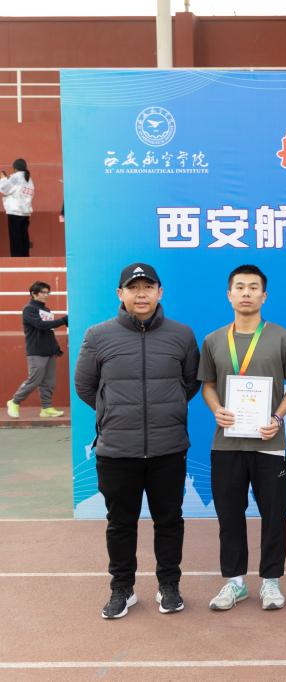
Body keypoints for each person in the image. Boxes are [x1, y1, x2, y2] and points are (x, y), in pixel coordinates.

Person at [74, 263, 200, 619]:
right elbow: (85, 386)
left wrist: (165, 410)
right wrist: (114, 412)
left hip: (168, 448)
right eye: (133, 287)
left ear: (160, 292)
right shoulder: (98, 335)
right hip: (117, 450)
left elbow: (190, 383)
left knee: (169, 521)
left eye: (148, 287)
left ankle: (169, 586)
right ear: (121, 294)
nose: (141, 294)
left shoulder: (182, 335)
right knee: (120, 523)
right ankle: (122, 589)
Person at [198, 265, 286, 612]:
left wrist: (278, 417)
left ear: (264, 295)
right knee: (230, 515)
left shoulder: (283, 337)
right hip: (226, 444)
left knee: (274, 515)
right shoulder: (213, 340)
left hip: (269, 443)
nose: (246, 293)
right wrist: (217, 409)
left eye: (253, 287)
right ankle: (235, 582)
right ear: (229, 295)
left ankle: (271, 581)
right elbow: (207, 385)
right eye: (240, 287)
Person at [7, 281, 68, 419]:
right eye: (43, 292)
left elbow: (49, 330)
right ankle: (14, 401)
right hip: (36, 351)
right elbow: (41, 325)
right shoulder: (29, 309)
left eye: (48, 292)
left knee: (49, 382)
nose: (46, 295)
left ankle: (46, 408)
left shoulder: (46, 310)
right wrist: (63, 320)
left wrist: (55, 348)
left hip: (49, 351)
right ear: (34, 294)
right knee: (34, 380)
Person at [0, 159, 34, 257]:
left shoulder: (16, 177)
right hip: (25, 211)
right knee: (24, 236)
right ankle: (25, 256)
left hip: (15, 212)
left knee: (15, 237)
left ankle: (16, 258)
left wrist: (3, 178)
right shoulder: (29, 179)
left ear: (15, 168)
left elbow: (4, 188)